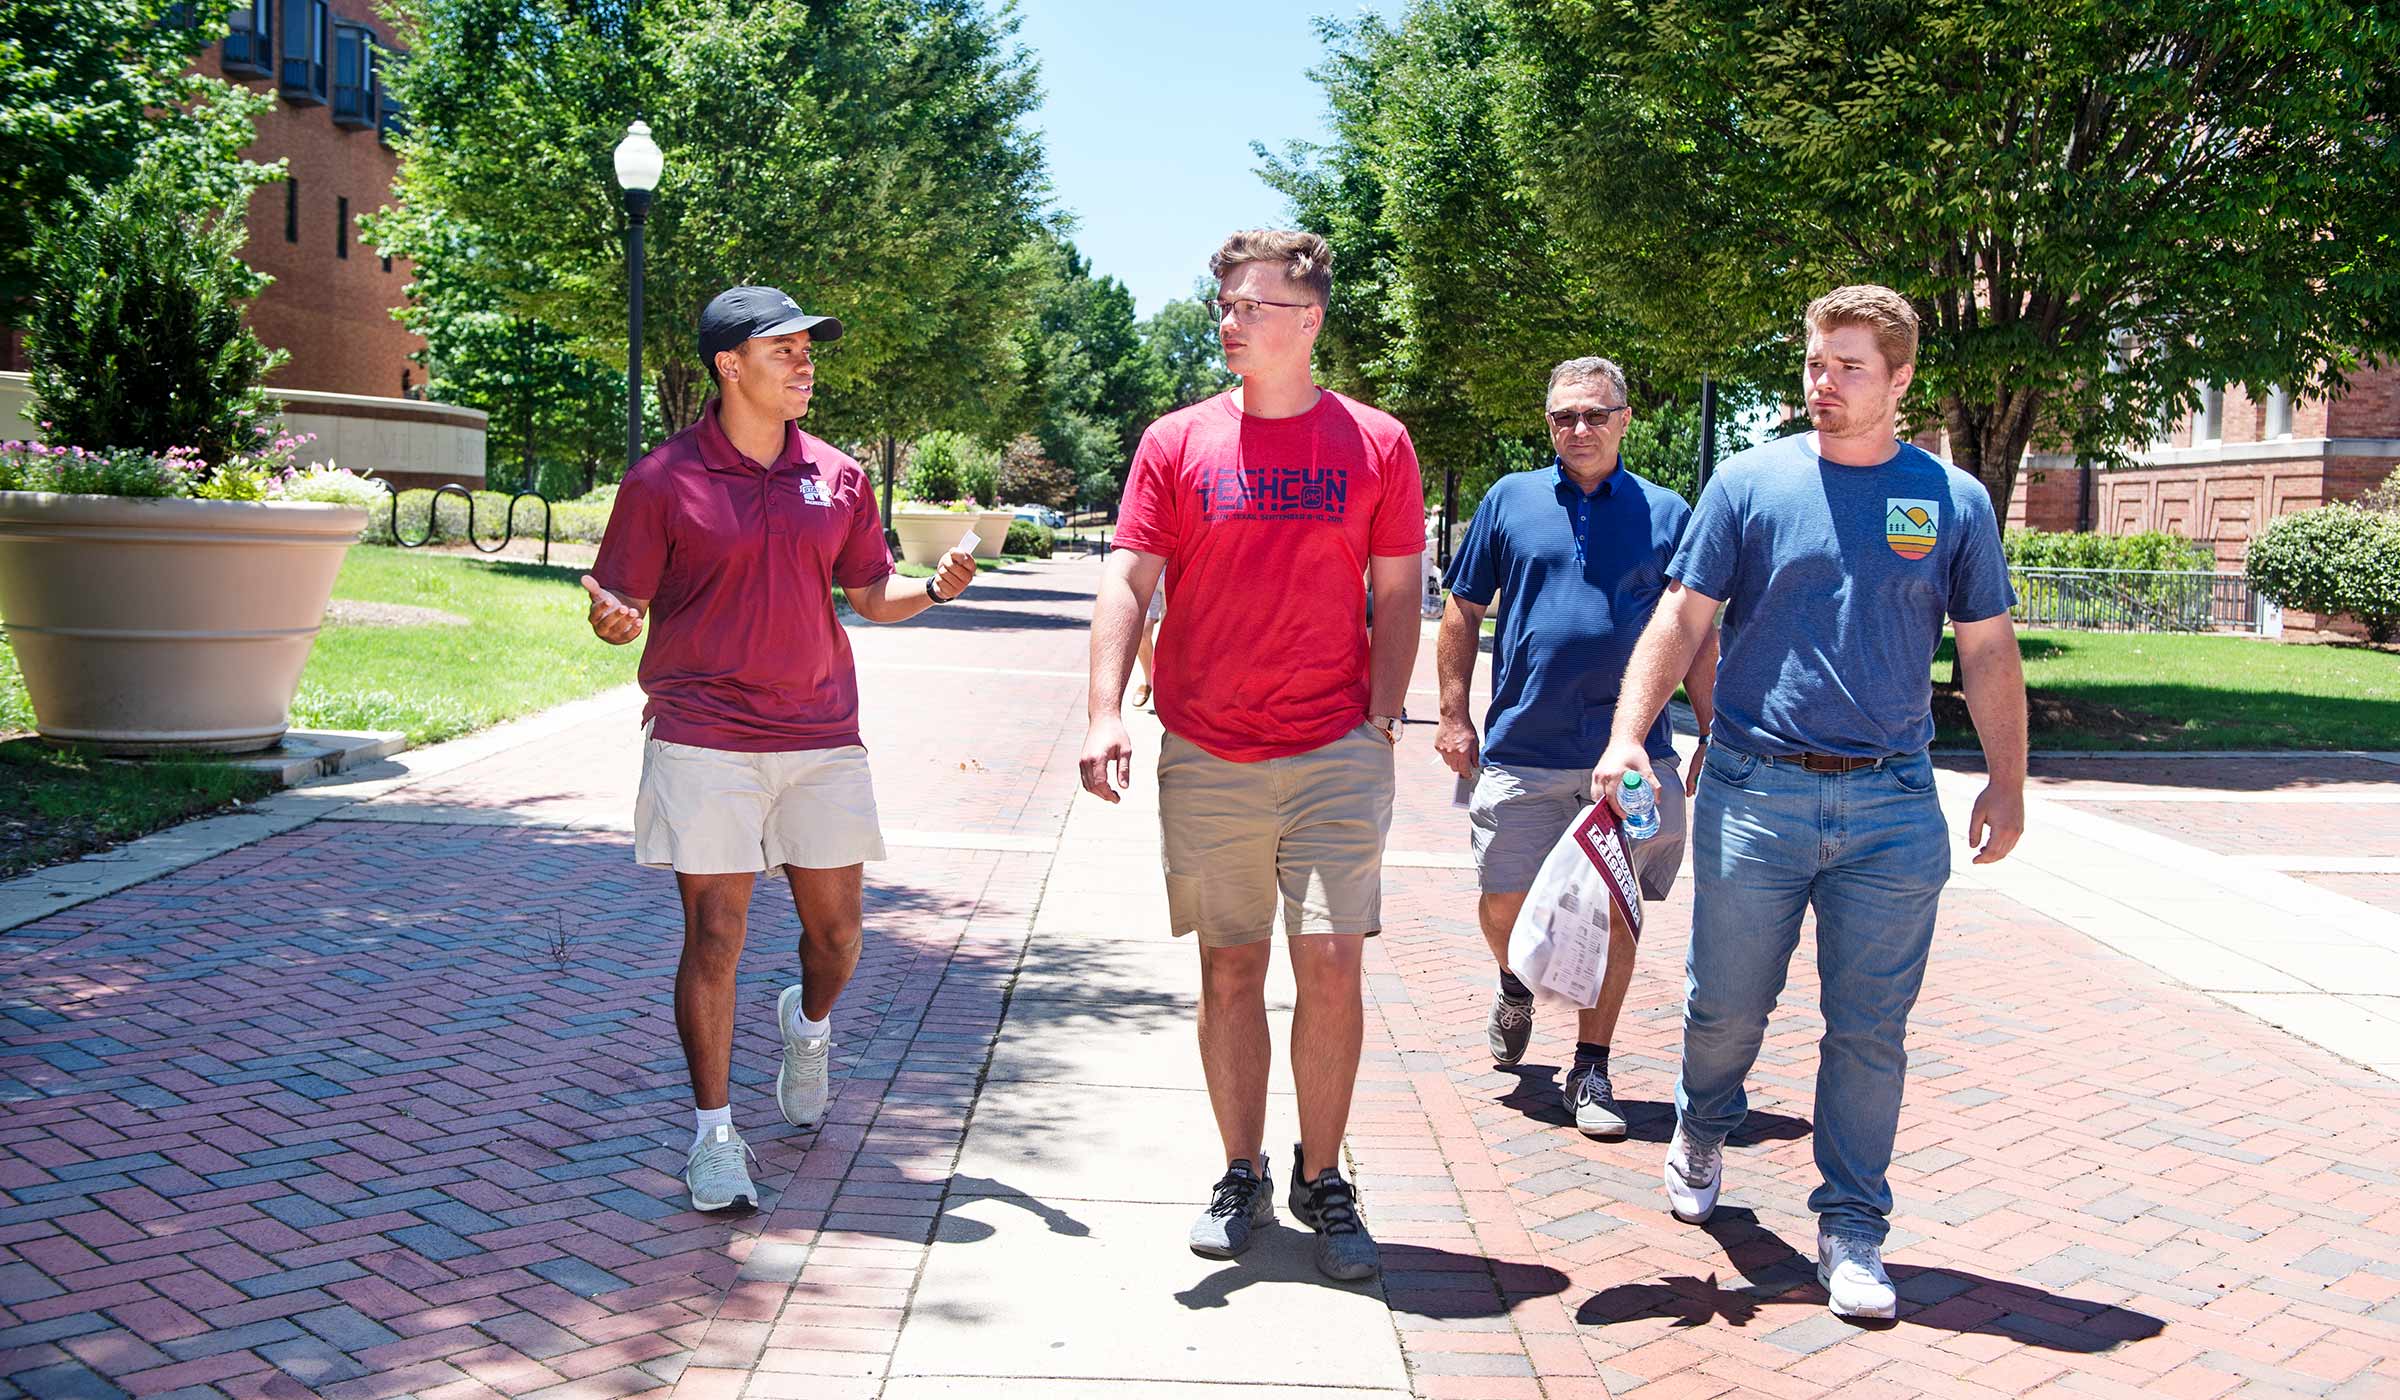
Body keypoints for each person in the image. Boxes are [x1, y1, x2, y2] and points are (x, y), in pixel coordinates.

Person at [1593, 285, 2026, 1320]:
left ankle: (1853, 1227)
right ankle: (1704, 1121)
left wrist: (2009, 781)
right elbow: (1681, 616)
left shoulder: (1951, 500)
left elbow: (1988, 650)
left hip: (1892, 800)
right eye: (1814, 363)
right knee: (1723, 1002)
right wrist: (1626, 735)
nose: (1822, 384)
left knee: (1870, 1028)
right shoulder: (1749, 483)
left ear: (1902, 379)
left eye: (1848, 367)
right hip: (1755, 788)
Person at [583, 285, 979, 1214]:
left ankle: (807, 1025)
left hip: (818, 734)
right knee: (715, 933)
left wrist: (938, 589)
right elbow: (620, 608)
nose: (806, 365)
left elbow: (873, 595)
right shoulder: (663, 480)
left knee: (838, 938)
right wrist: (610, 620)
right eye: (784, 351)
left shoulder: (838, 477)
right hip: (703, 733)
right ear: (729, 366)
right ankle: (714, 1136)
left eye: (808, 350)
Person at [1080, 230, 1424, 1281]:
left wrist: (1382, 711)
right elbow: (1130, 582)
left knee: (1330, 959)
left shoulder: (1377, 442)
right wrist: (1105, 709)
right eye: (1223, 303)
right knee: (1230, 966)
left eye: (1253, 306)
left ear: (1309, 319)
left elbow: (1401, 586)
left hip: (1333, 748)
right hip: (1209, 748)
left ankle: (1326, 1176)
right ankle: (1242, 1170)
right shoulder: (1176, 442)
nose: (1229, 321)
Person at [1434, 356, 1717, 1139]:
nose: (1579, 428)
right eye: (1564, 416)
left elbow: (1694, 632)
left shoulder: (1668, 513)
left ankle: (1591, 1066)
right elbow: (1461, 612)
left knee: (1618, 915)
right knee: (1502, 902)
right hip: (1524, 746)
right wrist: (1455, 714)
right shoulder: (1509, 501)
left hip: (1630, 757)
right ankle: (1515, 981)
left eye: (1595, 414)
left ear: (1626, 419)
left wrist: (1710, 727)